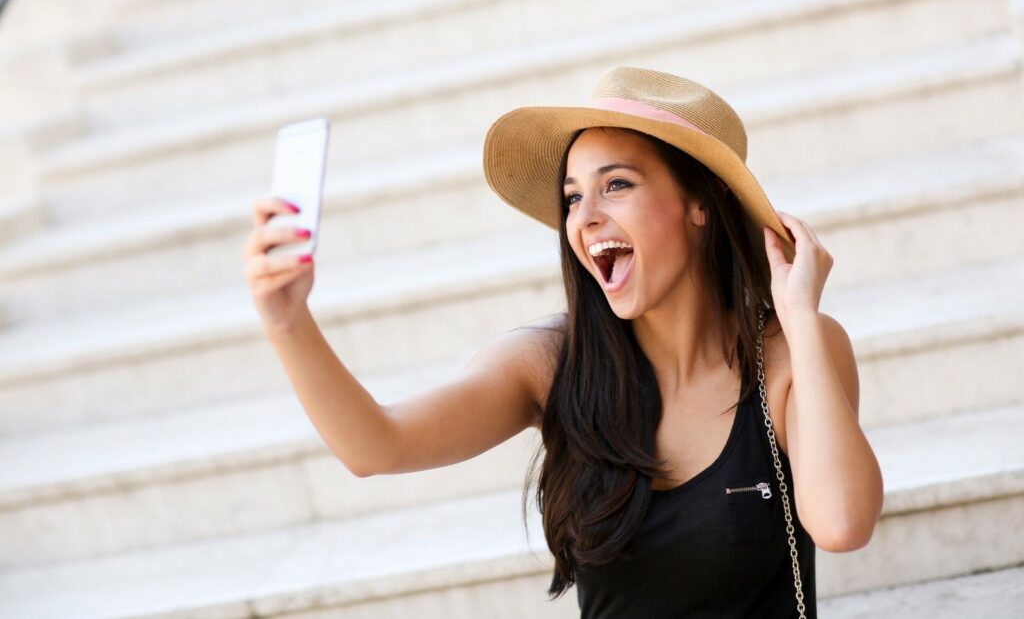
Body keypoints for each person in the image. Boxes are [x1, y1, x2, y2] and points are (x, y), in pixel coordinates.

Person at [243, 66, 883, 618]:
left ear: (701, 203)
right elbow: (375, 445)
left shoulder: (795, 351)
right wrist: (288, 324)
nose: (585, 216)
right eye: (573, 197)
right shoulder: (548, 365)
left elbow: (843, 523)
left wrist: (798, 315)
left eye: (617, 185)